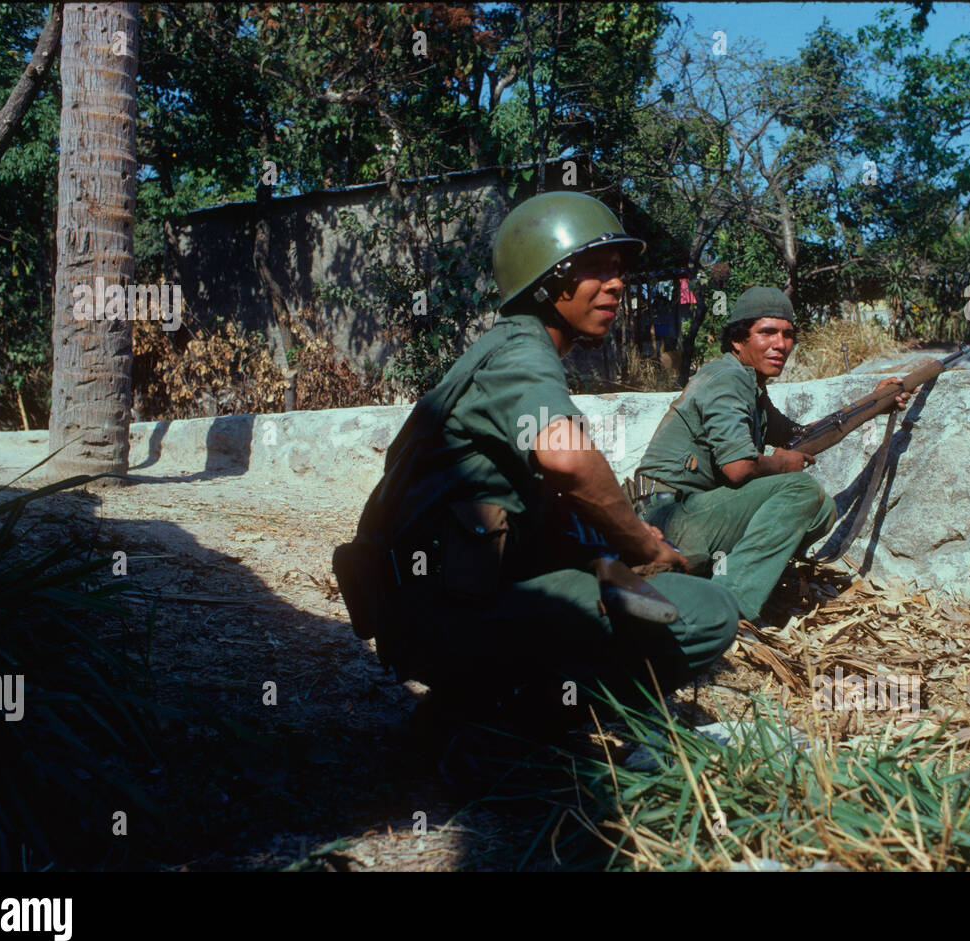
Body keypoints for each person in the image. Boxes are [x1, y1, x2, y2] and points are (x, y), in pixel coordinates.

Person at [337, 191, 740, 761]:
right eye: (595, 269)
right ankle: (510, 727)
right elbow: (567, 458)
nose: (618, 284)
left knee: (600, 564)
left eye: (619, 271)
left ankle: (470, 705)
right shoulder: (521, 353)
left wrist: (606, 549)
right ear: (547, 282)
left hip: (426, 612)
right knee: (709, 612)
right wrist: (640, 541)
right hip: (443, 621)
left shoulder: (498, 352)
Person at [633, 286, 913, 623]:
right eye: (767, 333)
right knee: (802, 490)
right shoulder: (728, 379)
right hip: (666, 519)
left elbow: (805, 436)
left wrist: (873, 404)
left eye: (788, 334)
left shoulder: (750, 386)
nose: (780, 344)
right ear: (738, 340)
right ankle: (725, 610)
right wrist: (782, 464)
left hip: (691, 514)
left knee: (821, 509)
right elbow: (738, 468)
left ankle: (717, 580)